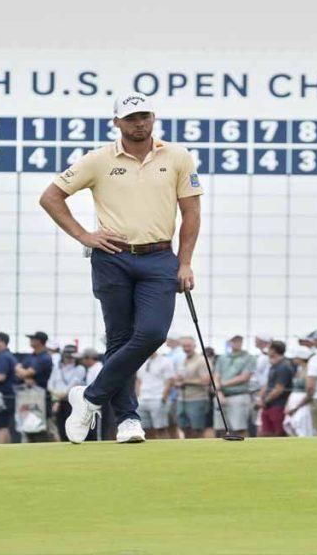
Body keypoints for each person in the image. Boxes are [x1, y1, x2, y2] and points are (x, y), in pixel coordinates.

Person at [40, 92, 203, 445]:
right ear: (117, 122)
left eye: (144, 116)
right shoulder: (98, 160)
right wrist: (84, 235)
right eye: (130, 118)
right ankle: (128, 419)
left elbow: (191, 211)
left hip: (160, 256)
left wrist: (186, 261)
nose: (139, 123)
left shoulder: (177, 157)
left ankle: (91, 397)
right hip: (112, 257)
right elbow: (50, 197)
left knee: (153, 334)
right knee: (118, 339)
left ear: (153, 118)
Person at [212, 335, 256, 438]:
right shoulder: (222, 357)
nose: (236, 343)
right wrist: (219, 392)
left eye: (238, 341)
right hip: (221, 395)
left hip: (238, 396)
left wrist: (221, 385)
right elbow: (216, 375)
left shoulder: (249, 358)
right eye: (233, 341)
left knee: (240, 429)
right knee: (221, 429)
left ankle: (245, 452)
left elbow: (244, 377)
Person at [135, 348, 174, 439]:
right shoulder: (141, 360)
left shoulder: (165, 361)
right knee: (145, 429)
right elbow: (138, 380)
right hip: (142, 399)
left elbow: (170, 380)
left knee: (161, 428)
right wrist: (138, 396)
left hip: (158, 398)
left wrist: (164, 397)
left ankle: (165, 450)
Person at [176, 336, 211, 439]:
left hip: (197, 399)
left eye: (188, 346)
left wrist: (185, 382)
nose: (186, 348)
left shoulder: (202, 360)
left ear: (194, 346)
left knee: (197, 429)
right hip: (182, 398)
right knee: (184, 427)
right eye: (184, 346)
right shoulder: (183, 361)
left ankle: (200, 451)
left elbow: (206, 381)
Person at [258, 341, 293, 437]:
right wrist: (261, 399)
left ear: (274, 350)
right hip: (268, 405)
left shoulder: (283, 366)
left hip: (278, 405)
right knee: (266, 433)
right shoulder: (274, 365)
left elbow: (279, 389)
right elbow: (268, 384)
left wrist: (265, 400)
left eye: (269, 349)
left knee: (278, 433)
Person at [283, 347, 315, 437]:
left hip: (303, 405)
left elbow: (309, 391)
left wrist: (296, 408)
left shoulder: (309, 370)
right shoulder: (299, 369)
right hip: (294, 403)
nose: (293, 359)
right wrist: (288, 405)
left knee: (302, 429)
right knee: (292, 429)